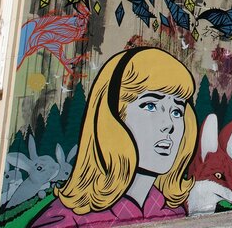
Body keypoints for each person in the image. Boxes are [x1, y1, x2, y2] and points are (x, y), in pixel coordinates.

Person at [30, 47, 197, 227]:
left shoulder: (173, 211)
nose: (169, 124)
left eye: (177, 111)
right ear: (112, 115)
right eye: (150, 105)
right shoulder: (65, 220)